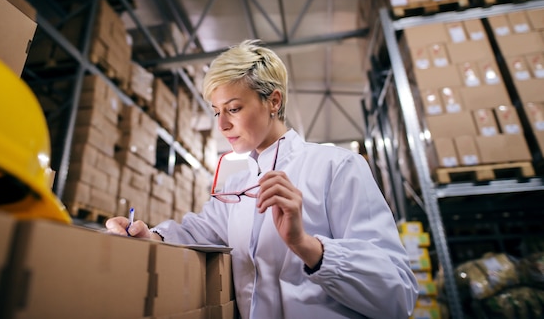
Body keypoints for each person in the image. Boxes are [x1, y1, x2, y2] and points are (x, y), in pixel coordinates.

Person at [106, 39, 418, 318]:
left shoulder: (337, 167)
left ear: (274, 101)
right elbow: (198, 230)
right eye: (217, 112)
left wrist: (307, 246)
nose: (223, 125)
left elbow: (398, 296)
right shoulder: (237, 185)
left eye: (234, 108)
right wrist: (150, 237)